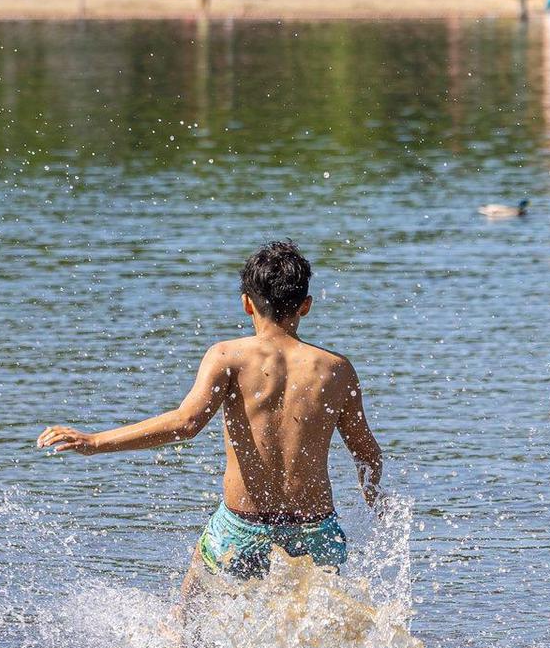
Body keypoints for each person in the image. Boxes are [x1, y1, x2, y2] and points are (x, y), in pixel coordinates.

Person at [37, 241, 383, 595]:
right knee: (321, 631)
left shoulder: (228, 356)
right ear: (305, 306)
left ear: (247, 302)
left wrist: (95, 442)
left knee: (185, 621)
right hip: (315, 531)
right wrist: (374, 500)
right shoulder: (336, 369)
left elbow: (185, 424)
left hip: (242, 529)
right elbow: (366, 452)